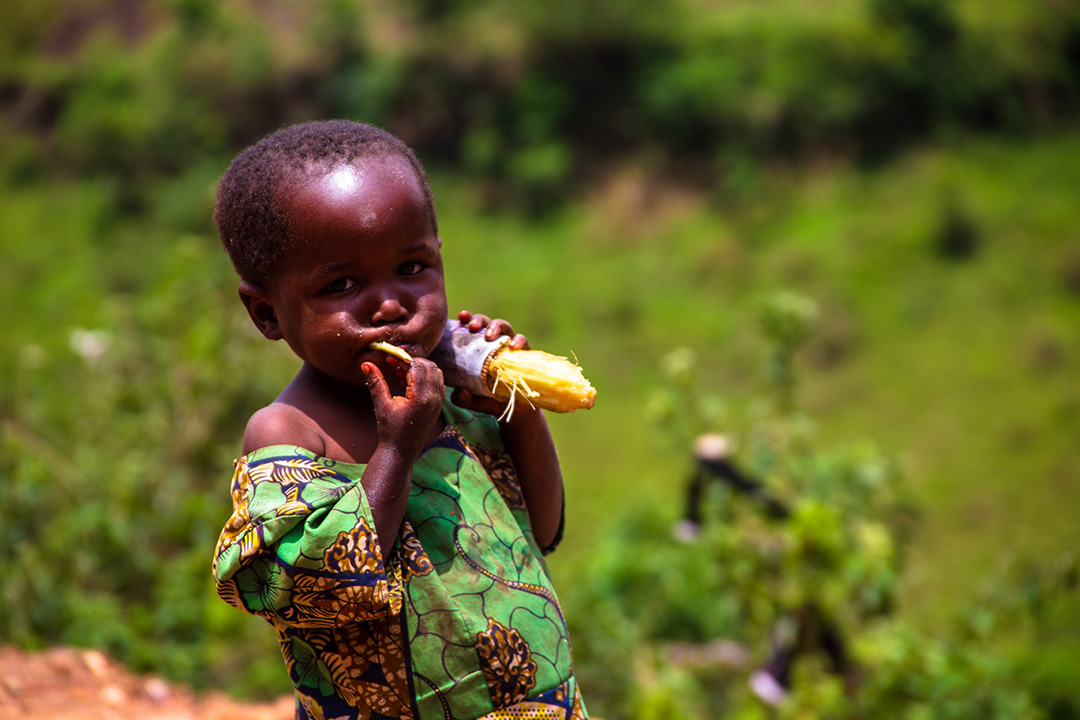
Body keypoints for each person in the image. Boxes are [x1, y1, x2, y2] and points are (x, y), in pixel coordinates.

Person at [210, 120, 587, 720]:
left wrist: (514, 405)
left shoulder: (452, 397)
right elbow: (314, 589)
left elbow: (541, 529)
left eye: (412, 268)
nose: (390, 304)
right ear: (266, 312)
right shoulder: (290, 432)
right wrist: (395, 451)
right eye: (342, 284)